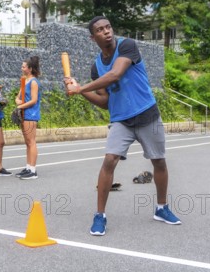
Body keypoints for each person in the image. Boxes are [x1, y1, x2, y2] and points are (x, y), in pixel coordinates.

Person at [65, 16, 181, 236]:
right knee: (109, 160)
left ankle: (162, 208)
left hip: (148, 114)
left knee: (159, 161)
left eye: (108, 27)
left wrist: (80, 89)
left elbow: (115, 74)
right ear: (93, 37)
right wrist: (81, 92)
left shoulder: (127, 45)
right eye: (100, 30)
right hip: (121, 120)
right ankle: (100, 215)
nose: (107, 31)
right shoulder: (96, 67)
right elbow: (105, 102)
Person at [15, 56, 41, 180]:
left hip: (31, 114)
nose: (22, 68)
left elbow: (34, 100)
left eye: (24, 66)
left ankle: (33, 170)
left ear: (30, 69)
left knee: (31, 142)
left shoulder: (34, 82)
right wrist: (19, 103)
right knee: (27, 143)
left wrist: (20, 106)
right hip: (24, 114)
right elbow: (17, 98)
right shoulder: (24, 81)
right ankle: (28, 167)